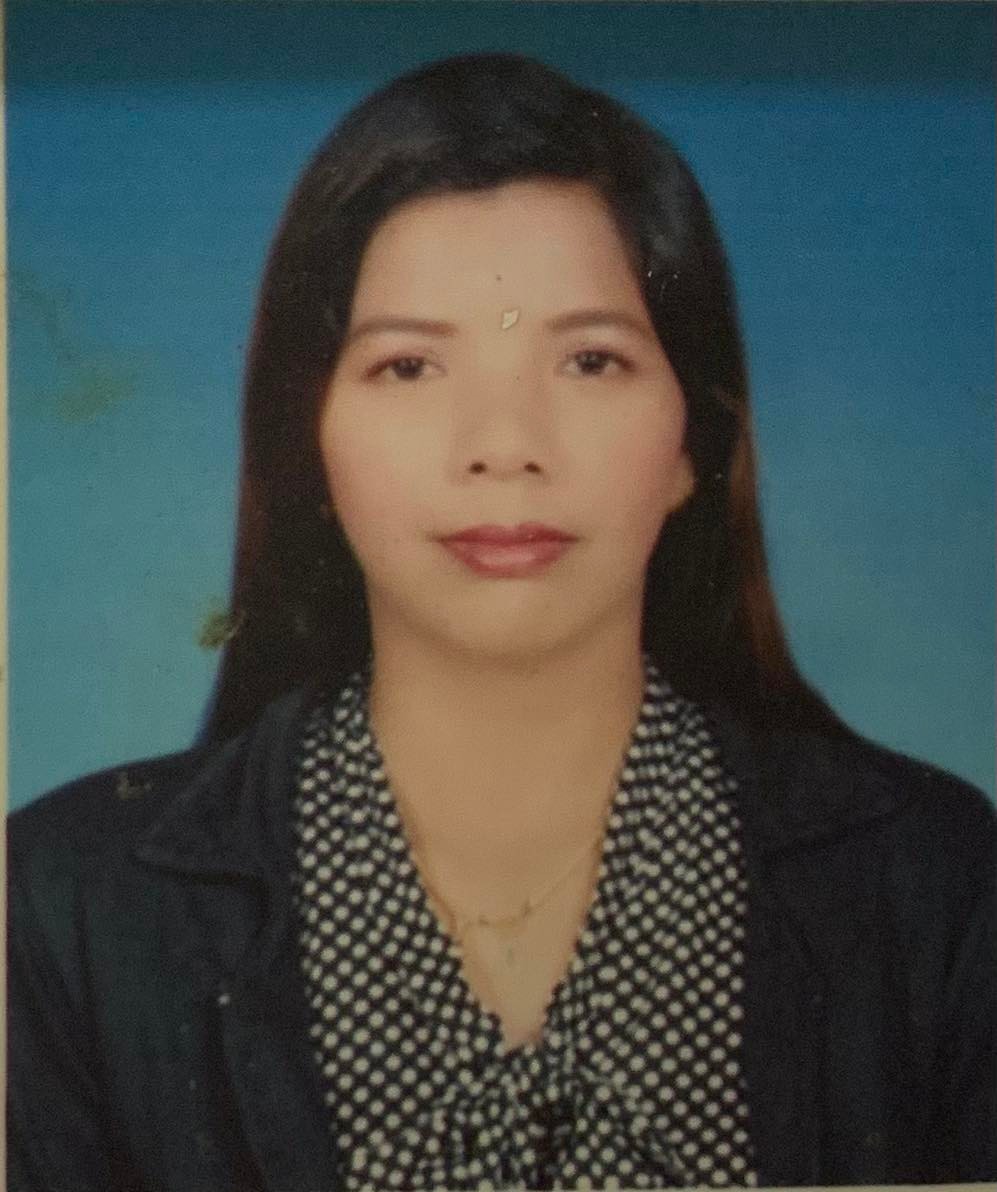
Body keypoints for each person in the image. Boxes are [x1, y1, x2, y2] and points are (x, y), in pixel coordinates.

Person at [7, 51, 994, 1192]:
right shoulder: (61, 906)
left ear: (693, 442)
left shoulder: (936, 882)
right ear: (307, 446)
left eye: (590, 359)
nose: (505, 444)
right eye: (408, 366)